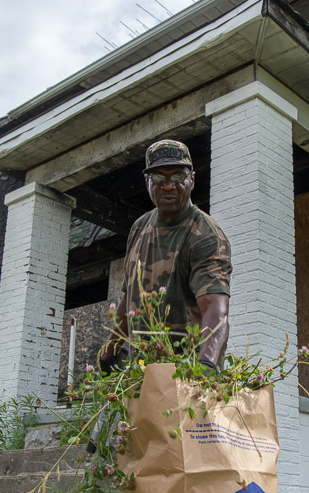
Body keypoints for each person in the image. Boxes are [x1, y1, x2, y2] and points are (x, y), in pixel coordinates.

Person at [99, 139, 232, 374]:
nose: (169, 186)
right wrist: (111, 348)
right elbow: (130, 297)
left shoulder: (205, 234)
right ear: (147, 182)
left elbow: (215, 307)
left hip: (186, 370)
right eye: (159, 178)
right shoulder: (139, 228)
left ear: (192, 179)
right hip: (140, 370)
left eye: (178, 177)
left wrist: (207, 365)